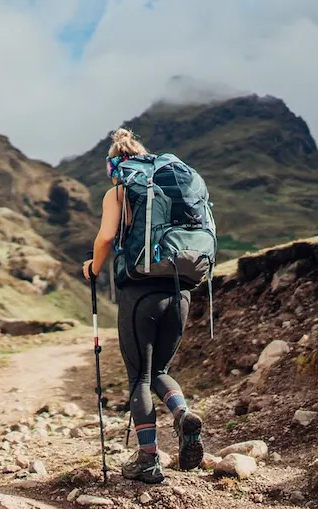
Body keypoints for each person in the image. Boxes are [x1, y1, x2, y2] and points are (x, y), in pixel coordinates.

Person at [82, 127, 204, 484]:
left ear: (114, 163)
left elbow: (106, 236)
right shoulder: (174, 183)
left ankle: (148, 461)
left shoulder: (119, 190)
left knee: (140, 377)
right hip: (181, 290)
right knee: (161, 370)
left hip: (140, 293)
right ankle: (182, 414)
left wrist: (93, 268)